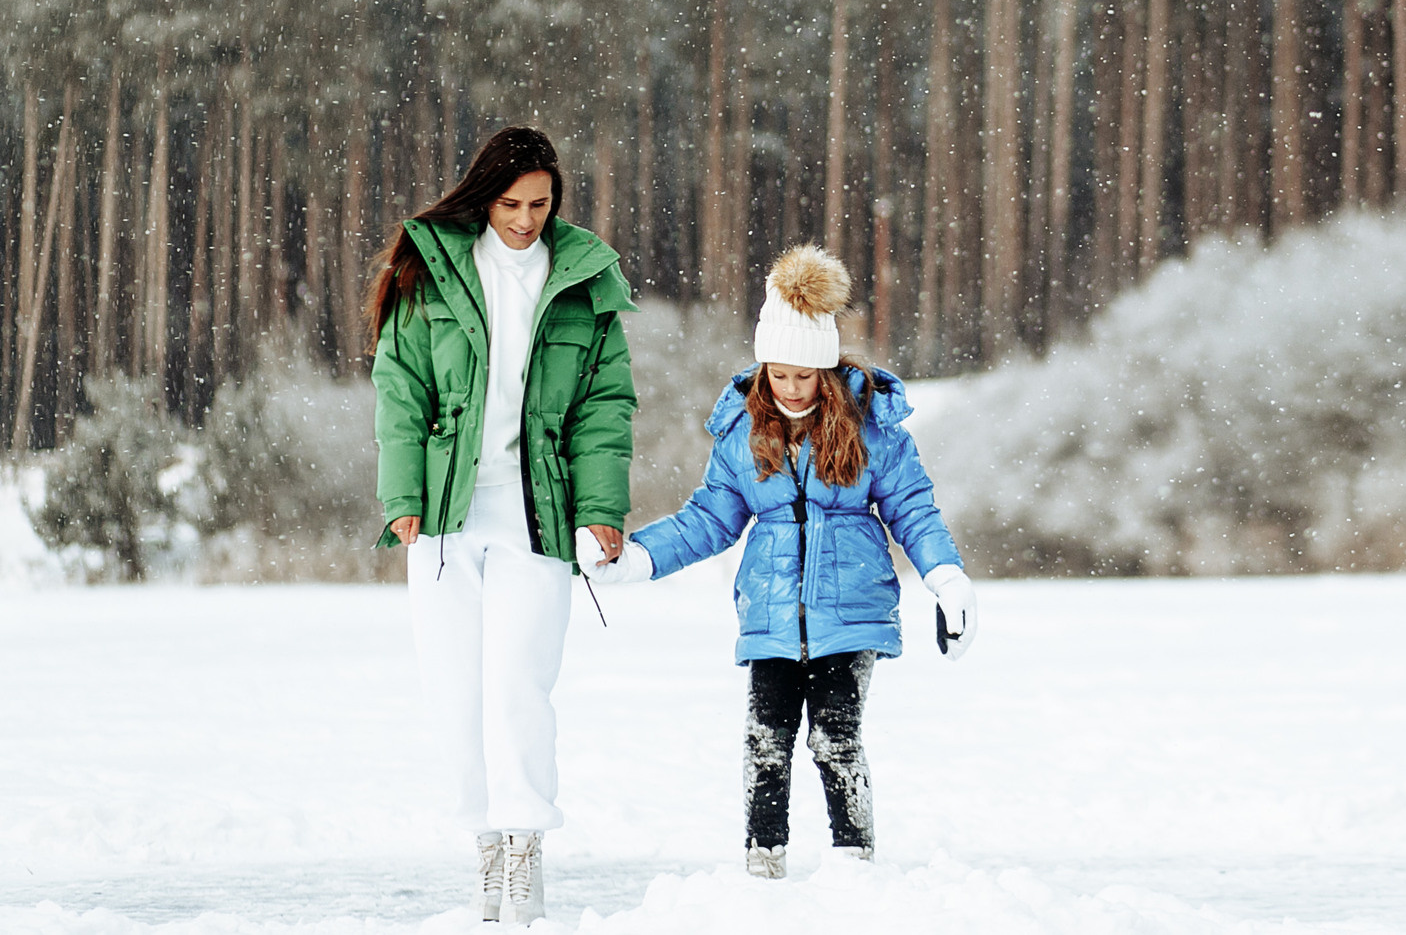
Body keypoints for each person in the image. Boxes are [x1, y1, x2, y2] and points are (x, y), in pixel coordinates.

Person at [596, 243, 977, 878]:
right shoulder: (743, 437)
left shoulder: (872, 431)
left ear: (826, 371)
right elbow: (710, 519)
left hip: (852, 610)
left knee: (836, 739)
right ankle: (762, 858)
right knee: (765, 741)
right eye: (779, 375)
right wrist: (639, 558)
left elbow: (912, 508)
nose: (792, 389)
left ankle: (853, 861)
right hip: (770, 615)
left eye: (805, 376)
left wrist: (946, 576)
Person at [369, 126, 638, 925]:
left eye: (541, 203)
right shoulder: (436, 269)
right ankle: (486, 848)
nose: (525, 219)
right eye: (513, 203)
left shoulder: (586, 278)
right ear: (485, 195)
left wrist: (600, 508)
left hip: (536, 518)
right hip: (445, 521)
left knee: (521, 685)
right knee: (455, 691)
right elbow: (399, 386)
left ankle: (525, 850)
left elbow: (604, 408)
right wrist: (401, 493)